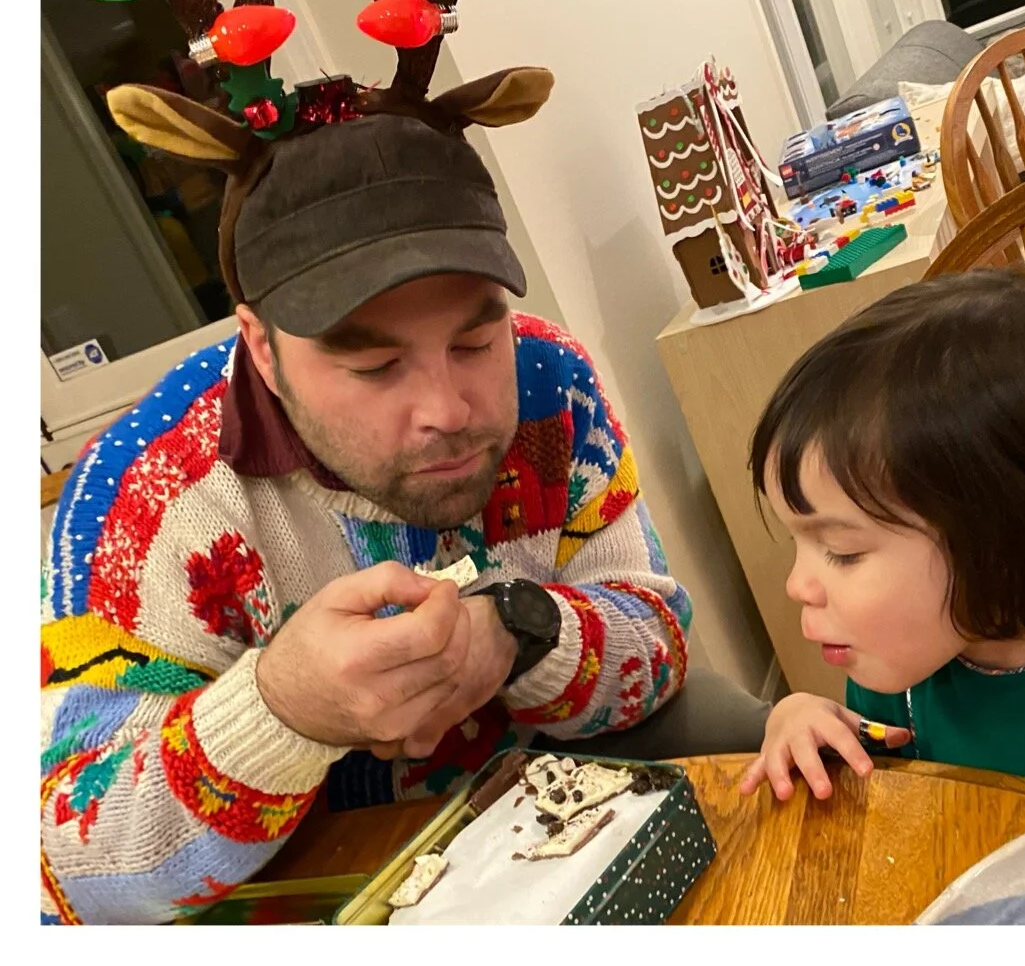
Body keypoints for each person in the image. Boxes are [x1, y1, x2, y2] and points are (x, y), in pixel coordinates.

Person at [41, 106, 752, 926]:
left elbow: (659, 634)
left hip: (560, 820)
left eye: (477, 344)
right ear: (263, 349)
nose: (447, 411)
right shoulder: (142, 499)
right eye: (376, 366)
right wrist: (282, 710)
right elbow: (69, 875)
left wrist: (523, 632)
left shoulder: (553, 383)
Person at [743, 273, 1025, 803]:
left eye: (842, 550)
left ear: (1009, 544)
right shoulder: (894, 658)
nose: (797, 584)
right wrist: (802, 723)